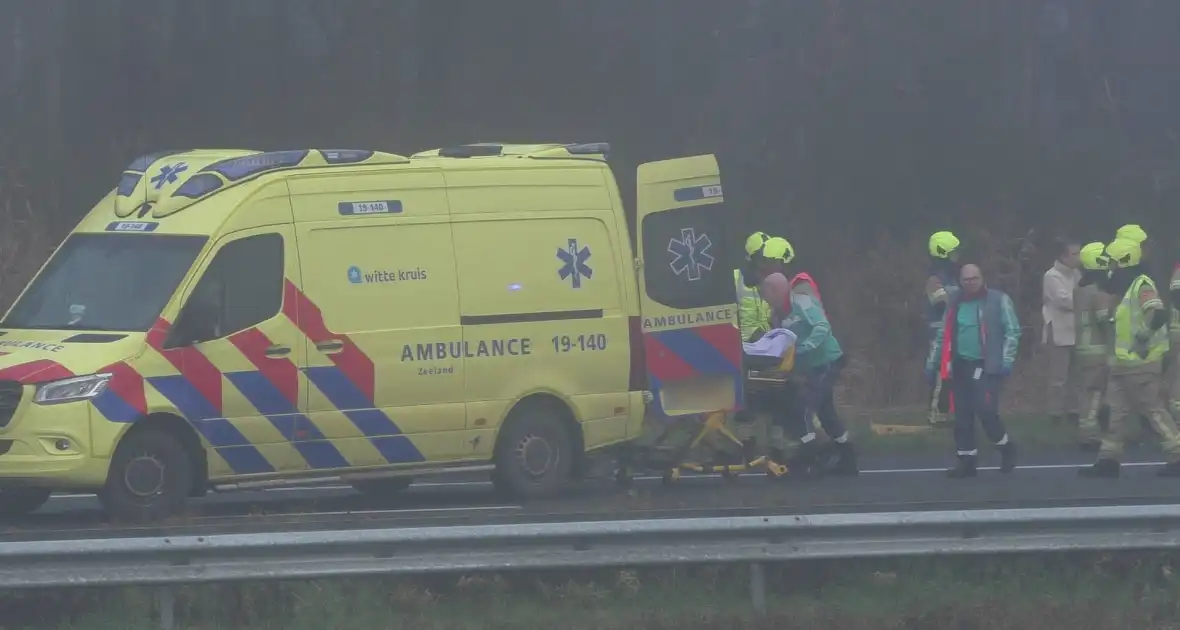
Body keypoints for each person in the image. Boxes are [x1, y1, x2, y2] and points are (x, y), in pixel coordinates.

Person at [757, 238, 858, 476]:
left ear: (777, 291)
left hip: (826, 361)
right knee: (825, 412)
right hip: (812, 365)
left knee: (805, 407)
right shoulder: (778, 314)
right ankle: (847, 457)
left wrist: (803, 348)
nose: (765, 300)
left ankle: (810, 451)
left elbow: (822, 326)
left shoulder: (801, 300)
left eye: (767, 294)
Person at [1080, 238, 1180, 477]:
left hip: (1141, 364)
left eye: (1113, 261)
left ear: (1124, 261)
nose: (1110, 266)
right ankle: (1108, 461)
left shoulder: (1141, 285)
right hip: (1122, 364)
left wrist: (1142, 339)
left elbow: (1157, 313)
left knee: (1154, 411)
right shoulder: (1124, 288)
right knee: (1116, 412)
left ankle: (1177, 455)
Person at [927, 263, 1020, 478]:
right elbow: (943, 335)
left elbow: (1013, 331)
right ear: (960, 281)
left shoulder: (999, 300)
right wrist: (933, 363)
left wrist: (1006, 360)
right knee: (962, 416)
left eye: (975, 278)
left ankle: (1006, 448)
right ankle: (966, 461)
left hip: (986, 366)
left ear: (982, 277)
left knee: (985, 410)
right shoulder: (955, 303)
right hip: (960, 365)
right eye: (966, 279)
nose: (971, 283)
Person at [1073, 242, 1113, 450]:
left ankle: (1092, 431)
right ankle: (1090, 436)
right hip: (1098, 350)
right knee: (1096, 393)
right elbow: (1106, 322)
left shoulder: (1080, 289)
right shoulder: (1098, 292)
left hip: (1083, 349)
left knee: (1088, 392)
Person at [1042, 237, 1082, 426]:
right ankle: (1055, 413)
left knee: (1076, 374)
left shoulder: (1077, 274)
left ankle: (1074, 410)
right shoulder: (1052, 276)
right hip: (1058, 331)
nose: (1078, 257)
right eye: (1075, 254)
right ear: (1063, 256)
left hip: (1076, 329)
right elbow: (1064, 300)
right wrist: (1085, 302)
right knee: (1059, 377)